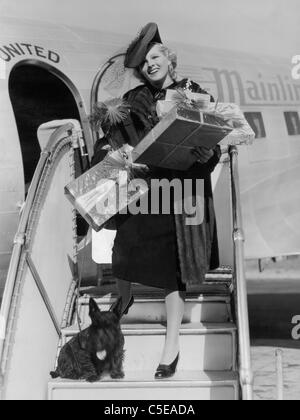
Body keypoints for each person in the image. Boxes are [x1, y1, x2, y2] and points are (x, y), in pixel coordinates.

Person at [92, 23, 221, 379]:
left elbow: (212, 151)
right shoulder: (132, 101)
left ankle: (172, 344)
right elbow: (112, 140)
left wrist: (207, 150)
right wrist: (121, 154)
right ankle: (124, 297)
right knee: (125, 243)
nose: (150, 65)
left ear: (168, 57)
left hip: (180, 193)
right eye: (144, 62)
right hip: (145, 190)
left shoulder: (194, 93)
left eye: (155, 57)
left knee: (170, 263)